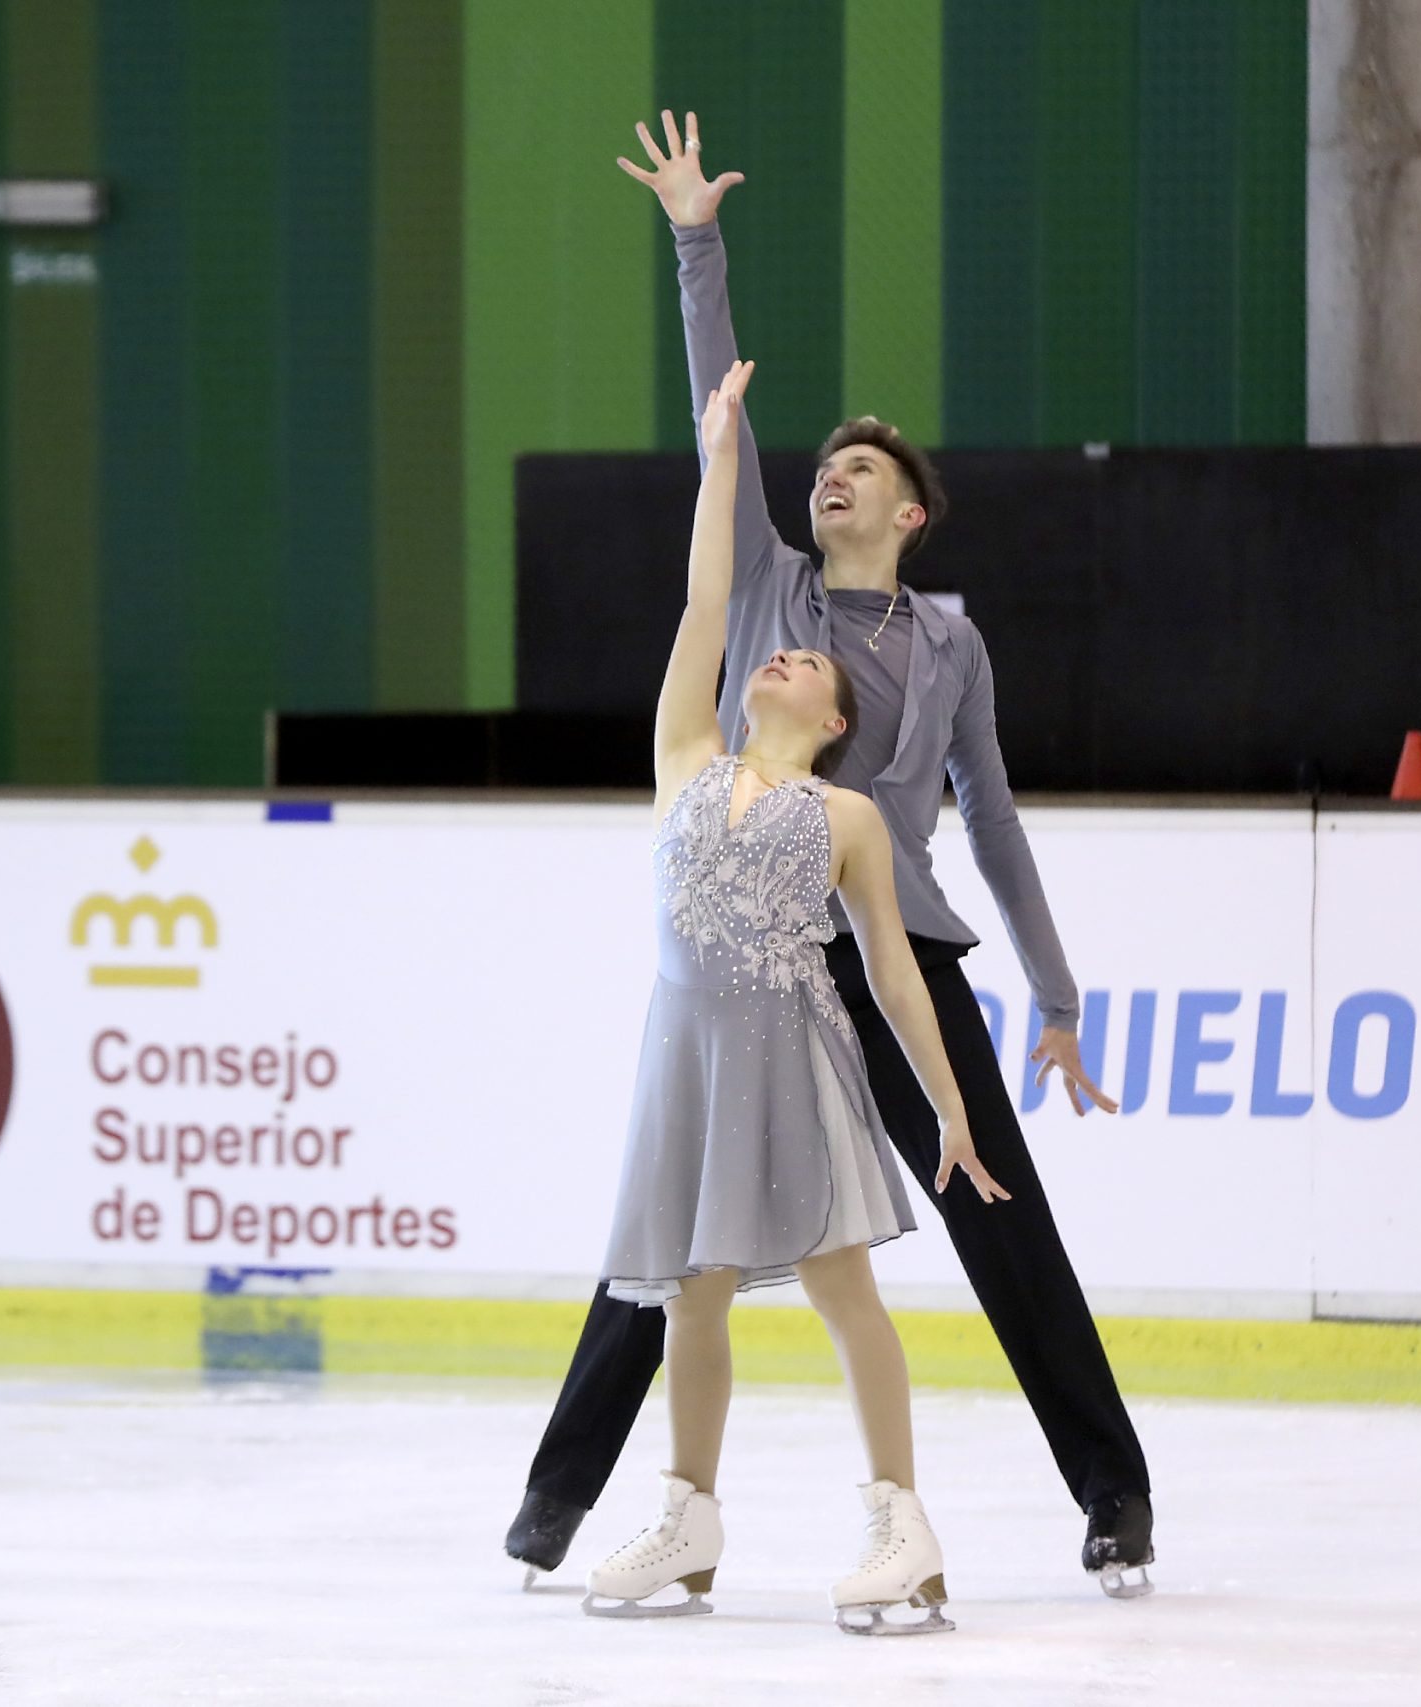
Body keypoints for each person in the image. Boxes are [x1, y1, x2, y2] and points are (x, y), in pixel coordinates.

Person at [508, 111, 1157, 1598]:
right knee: (674, 1238)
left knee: (999, 1202)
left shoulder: (947, 639)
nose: (837, 475)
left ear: (910, 512)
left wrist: (1053, 990)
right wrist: (694, 243)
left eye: (865, 468)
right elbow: (716, 415)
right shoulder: (767, 601)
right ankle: (564, 1500)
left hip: (895, 940)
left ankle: (1114, 1493)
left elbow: (990, 816)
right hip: (751, 941)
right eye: (829, 464)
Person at [581, 356, 1001, 1635]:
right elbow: (711, 594)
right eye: (773, 659)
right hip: (688, 1072)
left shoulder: (852, 815)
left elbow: (888, 975)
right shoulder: (684, 753)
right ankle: (688, 1522)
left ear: (834, 715)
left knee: (840, 1291)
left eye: (805, 666)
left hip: (794, 1064)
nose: (780, 660)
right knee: (689, 1299)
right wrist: (720, 454)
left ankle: (901, 1523)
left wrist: (951, 1111)